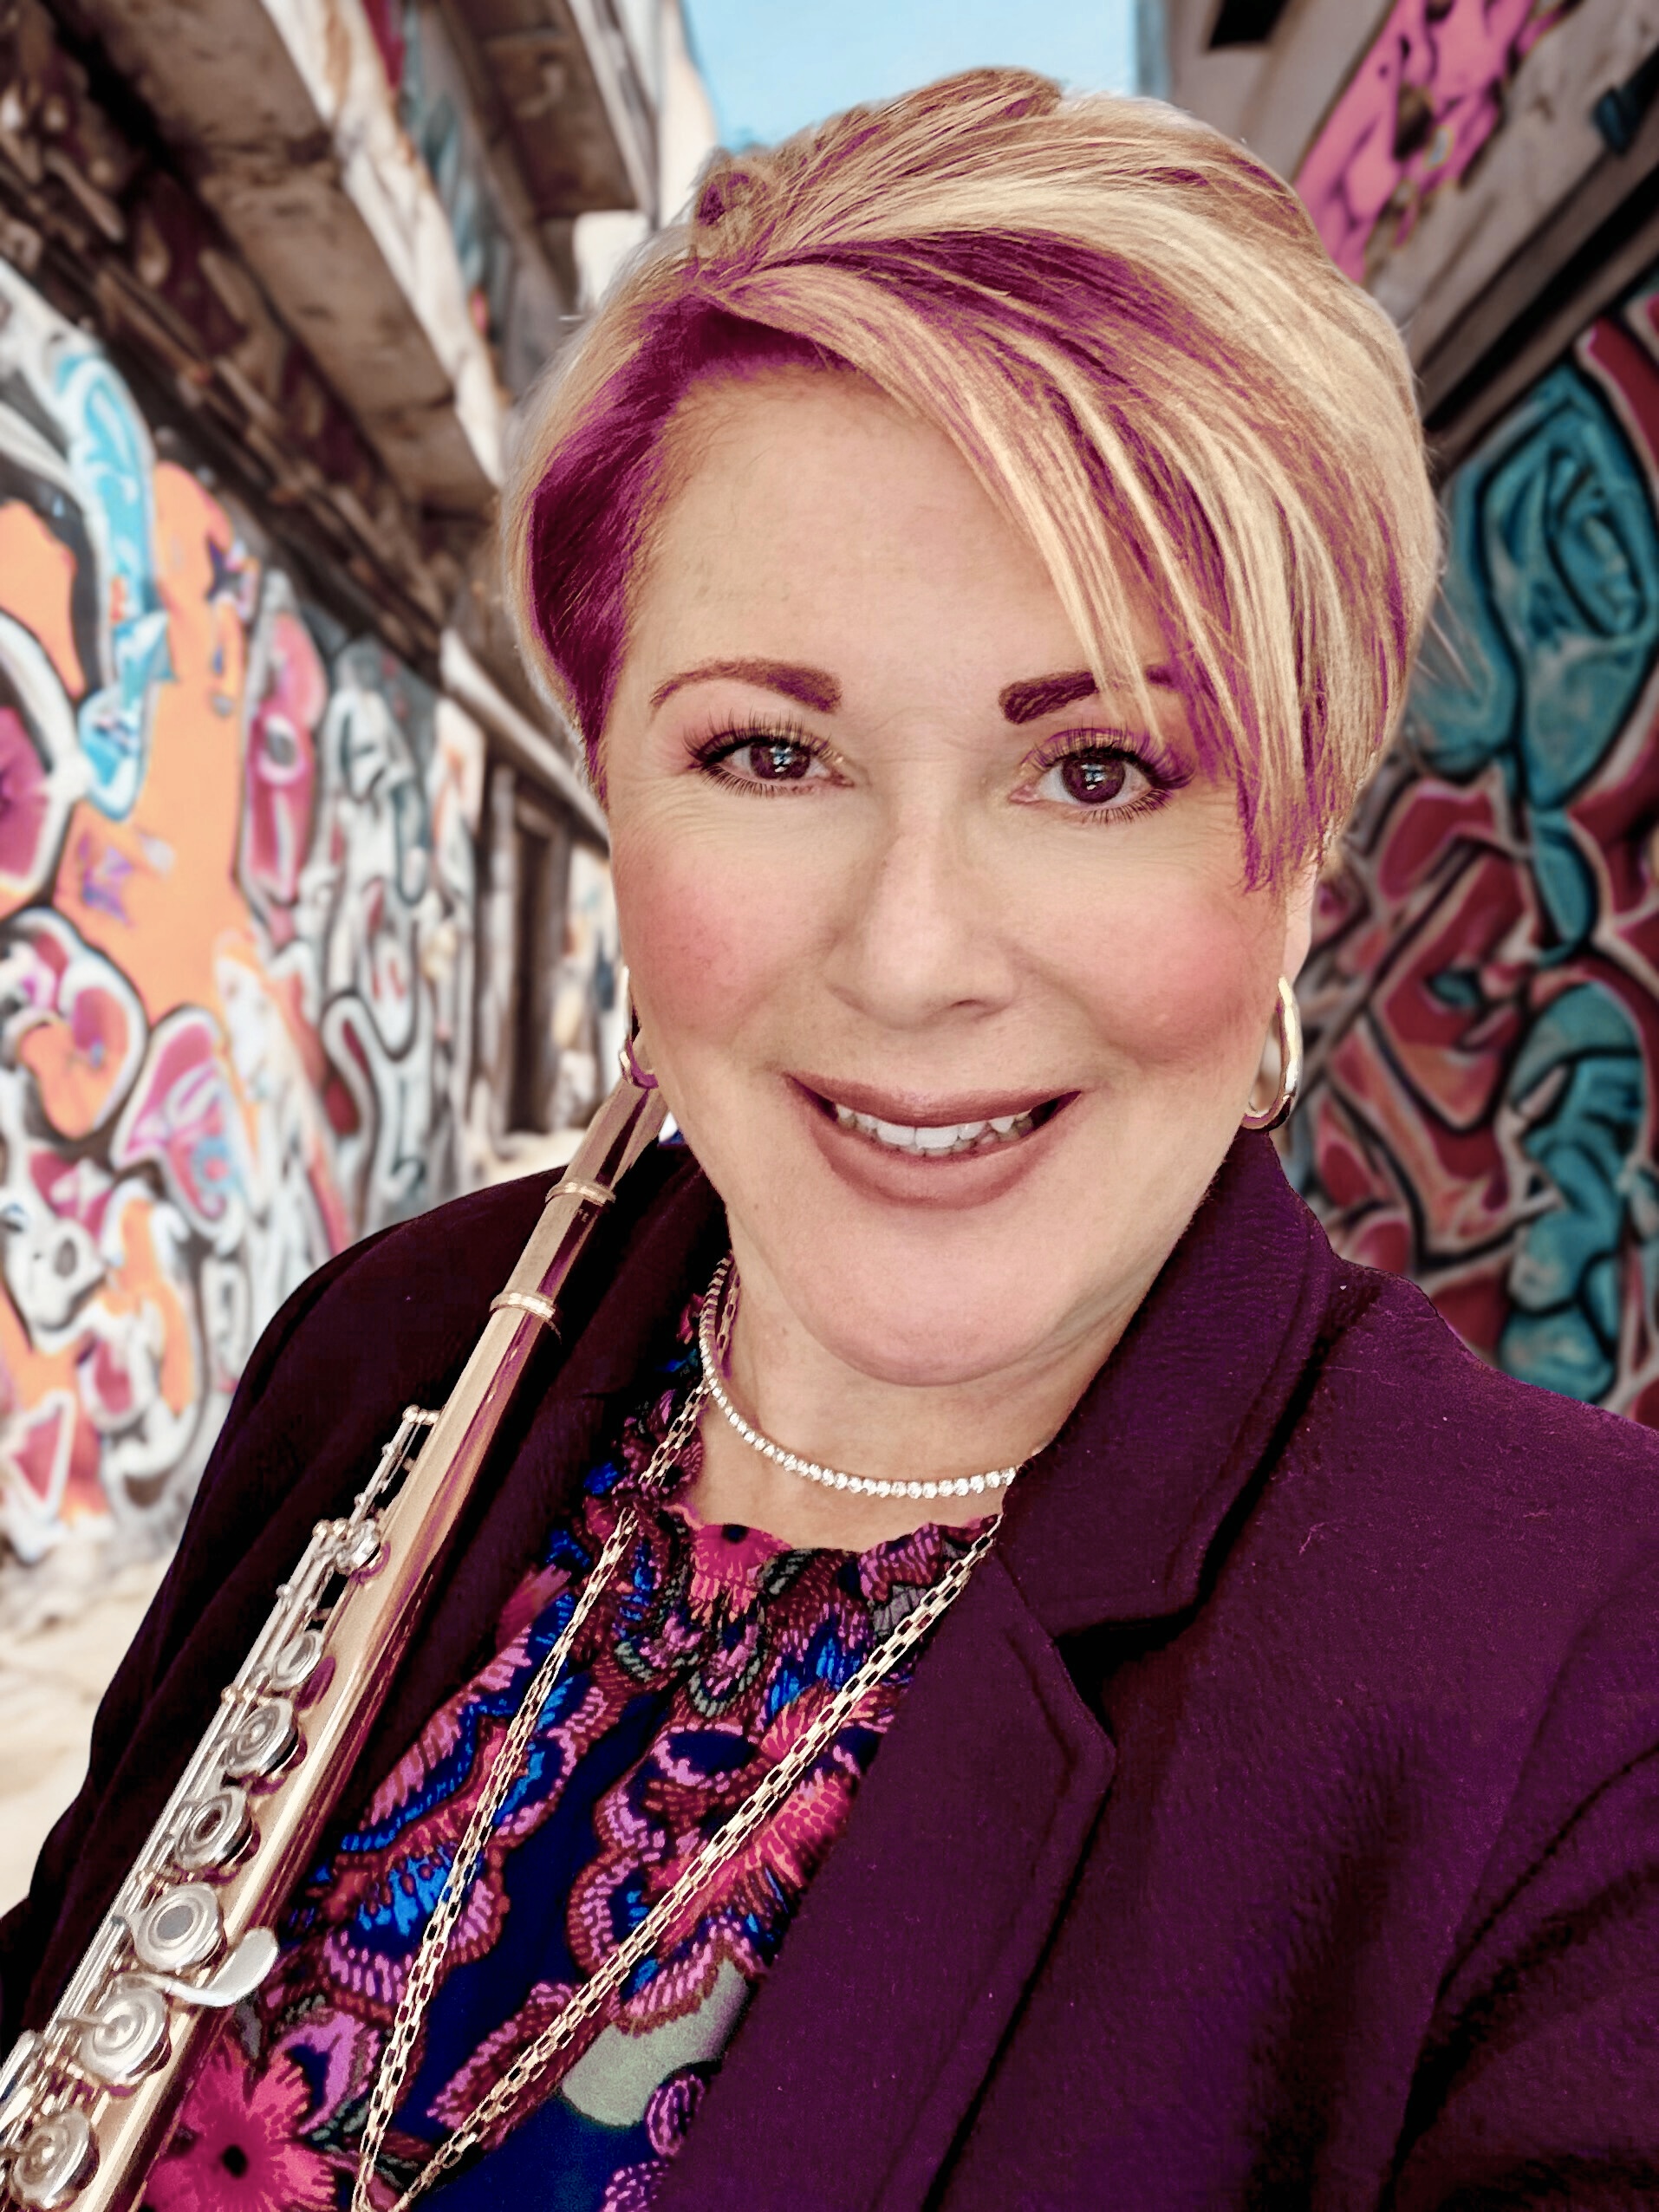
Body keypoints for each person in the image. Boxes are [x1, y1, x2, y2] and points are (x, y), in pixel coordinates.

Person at [4, 66, 1657, 2212]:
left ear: (1307, 857)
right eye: (770, 751)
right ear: (610, 783)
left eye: (1097, 769)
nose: (910, 954)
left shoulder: (1586, 1673)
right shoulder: (376, 1349)